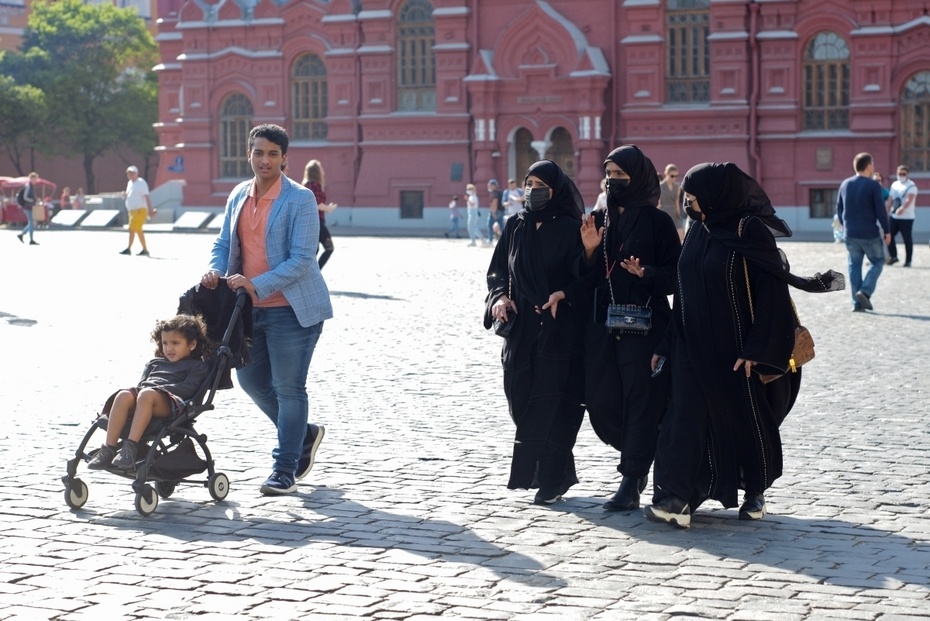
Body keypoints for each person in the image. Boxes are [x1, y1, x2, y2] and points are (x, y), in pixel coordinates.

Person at [643, 162, 844, 529]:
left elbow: (771, 294)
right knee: (682, 418)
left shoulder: (748, 229)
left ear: (715, 196)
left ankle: (754, 490)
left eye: (693, 197)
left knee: (743, 421)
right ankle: (676, 498)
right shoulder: (699, 228)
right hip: (691, 345)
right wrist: (667, 343)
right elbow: (683, 292)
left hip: (736, 351)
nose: (687, 204)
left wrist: (758, 350)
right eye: (686, 197)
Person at [201, 123, 332, 496]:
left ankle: (284, 469)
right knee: (251, 381)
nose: (265, 160)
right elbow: (224, 242)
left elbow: (303, 260)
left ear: (284, 158)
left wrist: (256, 284)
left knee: (289, 388)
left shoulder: (300, 199)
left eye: (273, 154)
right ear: (249, 155)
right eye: (259, 152)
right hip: (248, 310)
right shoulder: (238, 194)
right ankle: (303, 434)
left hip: (293, 310)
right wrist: (215, 270)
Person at [579, 145, 681, 512]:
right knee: (600, 400)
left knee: (641, 402)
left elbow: (676, 277)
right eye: (609, 174)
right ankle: (640, 454)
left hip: (646, 327)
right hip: (605, 328)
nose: (613, 180)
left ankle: (631, 478)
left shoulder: (658, 223)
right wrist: (589, 250)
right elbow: (584, 277)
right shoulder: (598, 218)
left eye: (620, 175)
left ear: (637, 178)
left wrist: (646, 273)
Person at [484, 160, 586, 505]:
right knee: (521, 399)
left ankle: (552, 479)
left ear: (556, 190)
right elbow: (497, 271)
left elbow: (585, 277)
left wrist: (565, 292)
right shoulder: (516, 225)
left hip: (559, 328)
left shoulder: (571, 228)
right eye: (529, 184)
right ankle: (556, 472)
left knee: (554, 404)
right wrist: (500, 297)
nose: (532, 190)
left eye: (541, 185)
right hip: (521, 330)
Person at [87, 314, 212, 470]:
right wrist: (143, 393)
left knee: (146, 394)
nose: (169, 348)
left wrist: (159, 390)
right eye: (165, 343)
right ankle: (108, 449)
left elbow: (189, 388)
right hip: (146, 397)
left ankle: (130, 448)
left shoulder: (196, 366)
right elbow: (142, 385)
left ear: (191, 344)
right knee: (123, 395)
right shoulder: (154, 363)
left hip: (171, 402)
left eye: (175, 343)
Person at [836, 153, 891, 312]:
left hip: (850, 234)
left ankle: (856, 303)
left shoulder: (845, 184)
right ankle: (865, 291)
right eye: (872, 163)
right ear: (868, 166)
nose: (873, 166)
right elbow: (881, 211)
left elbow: (839, 209)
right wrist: (887, 231)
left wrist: (846, 226)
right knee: (878, 261)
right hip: (869, 234)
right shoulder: (873, 185)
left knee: (854, 266)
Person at [301, 160, 338, 269]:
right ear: (317, 172)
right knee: (329, 248)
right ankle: (315, 272)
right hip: (317, 221)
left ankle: (308, 273)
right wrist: (328, 208)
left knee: (314, 250)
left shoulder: (305, 185)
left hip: (308, 222)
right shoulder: (315, 185)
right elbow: (316, 203)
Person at [887, 165, 918, 267]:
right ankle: (893, 256)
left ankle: (908, 261)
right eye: (899, 173)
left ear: (907, 174)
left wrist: (902, 208)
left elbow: (909, 199)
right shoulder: (894, 185)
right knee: (889, 236)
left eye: (903, 174)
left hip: (907, 218)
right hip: (894, 216)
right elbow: (890, 199)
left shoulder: (911, 186)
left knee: (907, 239)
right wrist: (887, 209)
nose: (901, 175)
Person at [120, 165, 155, 256]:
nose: (130, 175)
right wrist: (125, 195)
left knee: (131, 229)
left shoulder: (141, 182)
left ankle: (128, 248)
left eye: (132, 173)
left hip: (140, 210)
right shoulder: (130, 183)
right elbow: (131, 195)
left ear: (137, 173)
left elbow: (147, 196)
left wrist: (150, 210)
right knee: (138, 230)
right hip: (132, 211)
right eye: (128, 173)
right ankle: (145, 250)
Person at [659, 164, 685, 240]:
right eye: (672, 176)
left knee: (681, 237)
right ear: (666, 174)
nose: (674, 178)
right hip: (664, 213)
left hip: (675, 214)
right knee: (665, 238)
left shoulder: (677, 187)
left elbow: (677, 203)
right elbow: (659, 203)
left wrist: (679, 215)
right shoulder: (660, 186)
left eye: (676, 176)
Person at [15, 172, 40, 245]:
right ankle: (31, 240)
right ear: (31, 178)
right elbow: (25, 197)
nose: (36, 180)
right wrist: (32, 200)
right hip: (27, 206)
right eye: (35, 179)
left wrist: (35, 200)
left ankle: (22, 234)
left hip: (30, 206)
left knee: (32, 223)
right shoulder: (28, 186)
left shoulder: (31, 186)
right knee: (32, 223)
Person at [486, 179, 504, 244]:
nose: (488, 186)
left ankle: (490, 239)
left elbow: (494, 203)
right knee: (501, 226)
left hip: (496, 211)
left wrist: (493, 212)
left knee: (489, 225)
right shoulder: (499, 192)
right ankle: (505, 239)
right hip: (501, 211)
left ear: (493, 186)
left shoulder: (494, 193)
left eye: (489, 185)